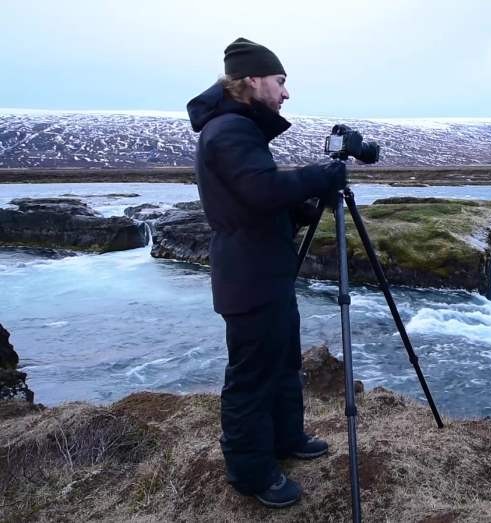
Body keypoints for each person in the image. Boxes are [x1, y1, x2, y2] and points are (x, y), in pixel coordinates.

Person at [186, 37, 344, 509]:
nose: (285, 93)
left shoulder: (237, 128)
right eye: (280, 81)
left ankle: (286, 437)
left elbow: (254, 200)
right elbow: (257, 190)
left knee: (282, 361)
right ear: (252, 80)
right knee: (252, 375)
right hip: (250, 276)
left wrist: (297, 208)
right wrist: (319, 177)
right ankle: (251, 472)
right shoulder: (231, 129)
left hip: (263, 271)